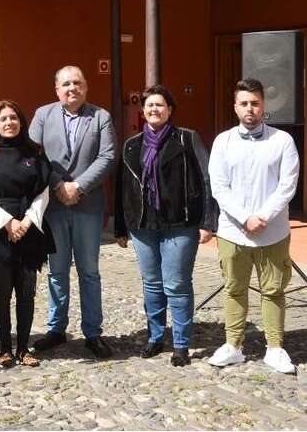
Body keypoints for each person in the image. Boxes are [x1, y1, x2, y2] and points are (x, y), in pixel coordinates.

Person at [114, 85, 217, 367]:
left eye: (160, 105)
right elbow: (123, 187)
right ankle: (156, 337)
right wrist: (121, 228)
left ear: (170, 110)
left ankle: (182, 344)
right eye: (149, 105)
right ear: (143, 110)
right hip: (143, 225)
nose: (154, 109)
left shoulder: (187, 138)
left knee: (177, 284)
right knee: (152, 284)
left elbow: (207, 180)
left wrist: (208, 221)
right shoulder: (131, 144)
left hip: (179, 223)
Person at [207, 78, 299, 374]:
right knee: (234, 289)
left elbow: (288, 185)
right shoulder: (223, 141)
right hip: (234, 231)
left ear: (264, 106)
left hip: (272, 231)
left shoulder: (282, 140)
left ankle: (275, 348)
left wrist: (263, 216)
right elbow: (219, 186)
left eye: (255, 103)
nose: (250, 108)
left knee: (273, 290)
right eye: (244, 103)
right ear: (235, 107)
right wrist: (245, 217)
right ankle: (233, 346)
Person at [28, 65, 116, 359]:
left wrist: (78, 186)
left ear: (86, 86)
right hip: (53, 206)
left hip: (88, 206)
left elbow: (107, 156)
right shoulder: (43, 115)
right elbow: (33, 154)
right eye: (66, 84)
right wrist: (58, 185)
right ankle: (56, 329)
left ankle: (93, 333)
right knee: (57, 270)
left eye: (77, 83)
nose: (72, 88)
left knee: (89, 271)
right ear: (56, 89)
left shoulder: (101, 117)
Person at [0, 100, 56, 368]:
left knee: (26, 292)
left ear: (21, 122)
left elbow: (43, 191)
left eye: (14, 118)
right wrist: (8, 223)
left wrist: (27, 221)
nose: (9, 123)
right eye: (3, 119)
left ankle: (23, 348)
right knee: (2, 290)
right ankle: (5, 349)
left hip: (30, 230)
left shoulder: (35, 153)